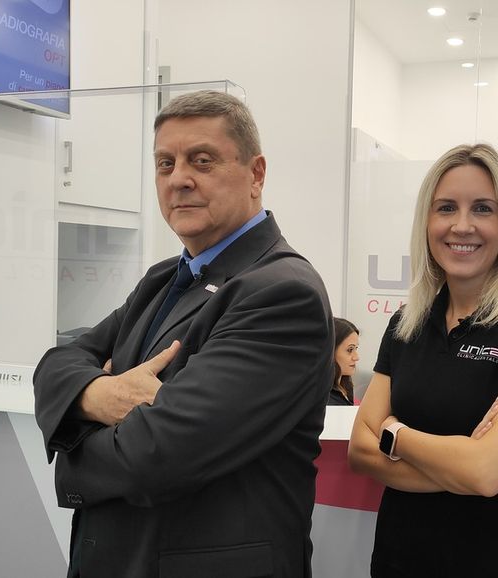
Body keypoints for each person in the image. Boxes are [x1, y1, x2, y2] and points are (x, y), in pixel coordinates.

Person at [33, 90, 334, 578]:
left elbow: (155, 456)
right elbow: (57, 364)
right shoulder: (163, 278)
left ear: (256, 174)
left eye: (202, 160)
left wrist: (68, 447)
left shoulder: (282, 293)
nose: (179, 180)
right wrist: (99, 394)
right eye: (165, 164)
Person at [347, 143, 498, 577]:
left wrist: (395, 434)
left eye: (483, 209)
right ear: (427, 221)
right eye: (446, 207)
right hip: (401, 559)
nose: (462, 225)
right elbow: (360, 450)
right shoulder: (407, 322)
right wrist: (466, 465)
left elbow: (490, 471)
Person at [328, 318, 359, 405]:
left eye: (356, 348)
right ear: (331, 351)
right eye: (350, 350)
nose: (356, 357)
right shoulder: (323, 397)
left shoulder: (346, 387)